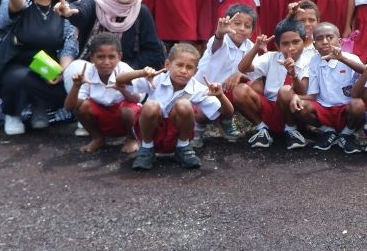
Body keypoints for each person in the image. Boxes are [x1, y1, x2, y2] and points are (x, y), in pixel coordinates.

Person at [0, 0, 79, 135]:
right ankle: (12, 113)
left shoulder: (61, 5)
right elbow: (16, 8)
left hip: (49, 67)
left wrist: (62, 71)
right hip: (16, 63)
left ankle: (41, 107)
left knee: (69, 84)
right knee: (17, 77)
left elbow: (69, 44)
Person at [118, 43, 234, 171]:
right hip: (152, 133)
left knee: (184, 104)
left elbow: (227, 113)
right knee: (151, 105)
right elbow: (120, 80)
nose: (184, 71)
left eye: (189, 67)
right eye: (179, 65)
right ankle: (147, 149)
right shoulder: (156, 79)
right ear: (167, 65)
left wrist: (221, 96)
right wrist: (142, 73)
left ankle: (183, 148)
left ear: (195, 72)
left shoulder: (197, 88)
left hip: (175, 137)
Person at [54, 0, 164, 70]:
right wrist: (69, 12)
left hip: (123, 78)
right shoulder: (96, 2)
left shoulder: (140, 12)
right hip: (88, 72)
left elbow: (153, 52)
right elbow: (81, 11)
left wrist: (123, 69)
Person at [289, 22, 367, 152]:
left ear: (339, 41)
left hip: (346, 109)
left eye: (329, 37)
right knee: (299, 106)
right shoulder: (314, 60)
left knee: (358, 105)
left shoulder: (350, 57)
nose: (325, 42)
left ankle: (346, 134)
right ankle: (328, 132)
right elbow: (313, 95)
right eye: (319, 39)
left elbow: (364, 70)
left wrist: (342, 59)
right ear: (314, 45)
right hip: (324, 109)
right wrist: (296, 97)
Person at [233, 18, 311, 149]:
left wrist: (293, 73)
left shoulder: (310, 61)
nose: (291, 48)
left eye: (296, 42)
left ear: (305, 41)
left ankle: (291, 130)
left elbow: (302, 92)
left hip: (294, 111)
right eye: (285, 44)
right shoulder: (271, 57)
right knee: (239, 90)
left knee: (286, 91)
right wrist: (256, 47)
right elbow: (242, 68)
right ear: (277, 46)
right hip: (270, 108)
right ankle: (262, 129)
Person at [64, 32, 141, 154]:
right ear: (91, 58)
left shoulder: (125, 70)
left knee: (128, 110)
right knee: (82, 107)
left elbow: (137, 100)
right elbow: (69, 107)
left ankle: (132, 138)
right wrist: (76, 86)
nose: (106, 62)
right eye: (100, 57)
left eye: (111, 57)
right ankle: (98, 138)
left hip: (124, 119)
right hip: (103, 118)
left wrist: (122, 89)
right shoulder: (88, 72)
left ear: (119, 56)